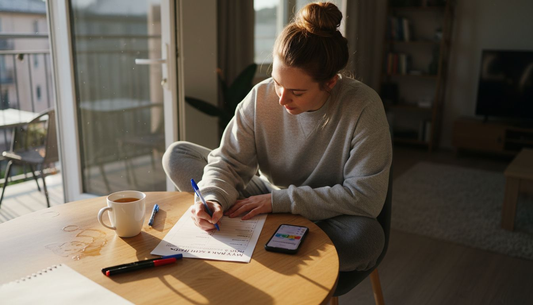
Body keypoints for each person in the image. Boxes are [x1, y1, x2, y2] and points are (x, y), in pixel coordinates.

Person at [162, 2, 392, 272]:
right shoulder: (262, 96)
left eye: (296, 91)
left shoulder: (363, 106)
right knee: (178, 155)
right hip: (268, 193)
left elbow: (365, 198)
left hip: (330, 212)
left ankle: (260, 240)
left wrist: (278, 203)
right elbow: (229, 162)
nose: (281, 99)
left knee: (365, 241)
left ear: (330, 82)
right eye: (277, 82)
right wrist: (212, 198)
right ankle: (276, 243)